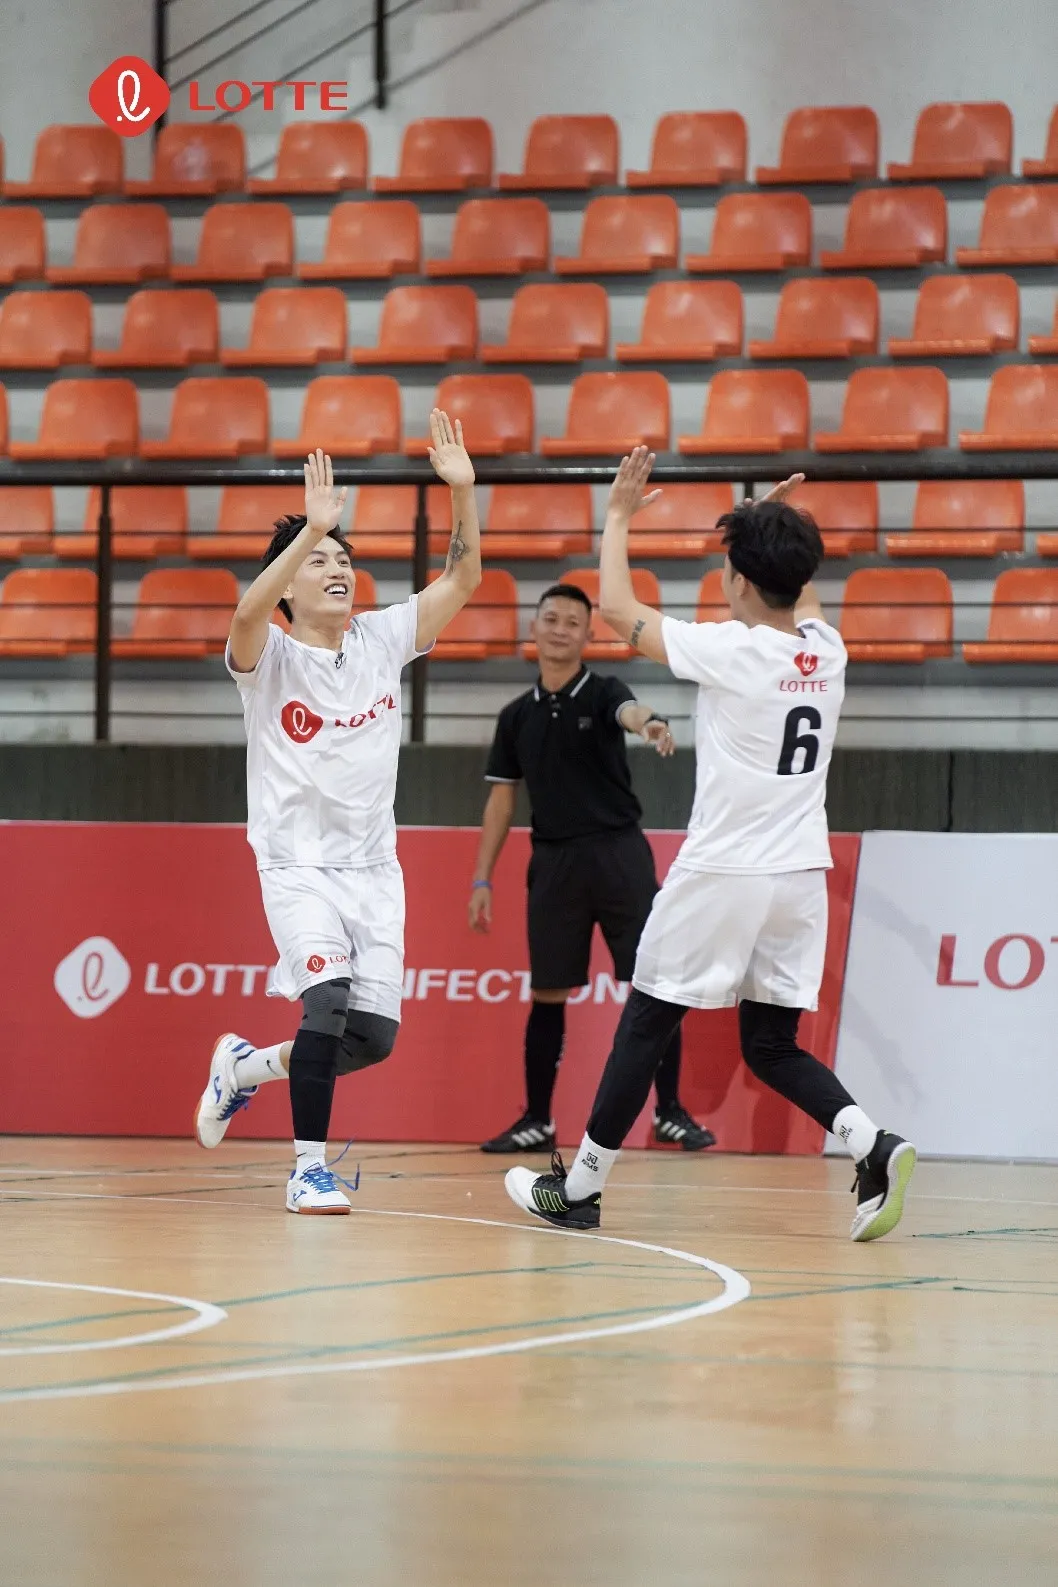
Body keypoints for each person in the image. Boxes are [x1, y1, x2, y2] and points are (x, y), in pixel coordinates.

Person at [505, 450, 916, 1244]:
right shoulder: (825, 650)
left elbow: (618, 607)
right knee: (769, 1043)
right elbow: (800, 590)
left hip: (724, 870)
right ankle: (873, 1144)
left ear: (734, 580)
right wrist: (777, 522)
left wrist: (619, 515)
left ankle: (580, 1190)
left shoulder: (733, 650)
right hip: (800, 874)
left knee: (648, 1018)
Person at [193, 412, 481, 1214]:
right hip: (296, 867)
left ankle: (242, 1069)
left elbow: (463, 581)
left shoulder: (383, 641)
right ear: (288, 584)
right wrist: (308, 528)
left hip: (373, 871)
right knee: (324, 1003)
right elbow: (245, 618)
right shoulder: (270, 658)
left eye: (344, 557)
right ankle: (307, 1168)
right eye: (319, 560)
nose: (338, 567)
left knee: (370, 1038)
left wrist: (463, 494)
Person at [470, 582, 715, 1155]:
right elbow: (502, 801)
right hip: (553, 863)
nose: (559, 629)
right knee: (549, 992)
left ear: (587, 633)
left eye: (572, 622)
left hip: (619, 856)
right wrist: (482, 878)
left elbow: (629, 712)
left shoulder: (605, 691)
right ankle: (537, 1119)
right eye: (549, 618)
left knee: (652, 985)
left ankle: (670, 1113)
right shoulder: (514, 718)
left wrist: (649, 721)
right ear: (534, 627)